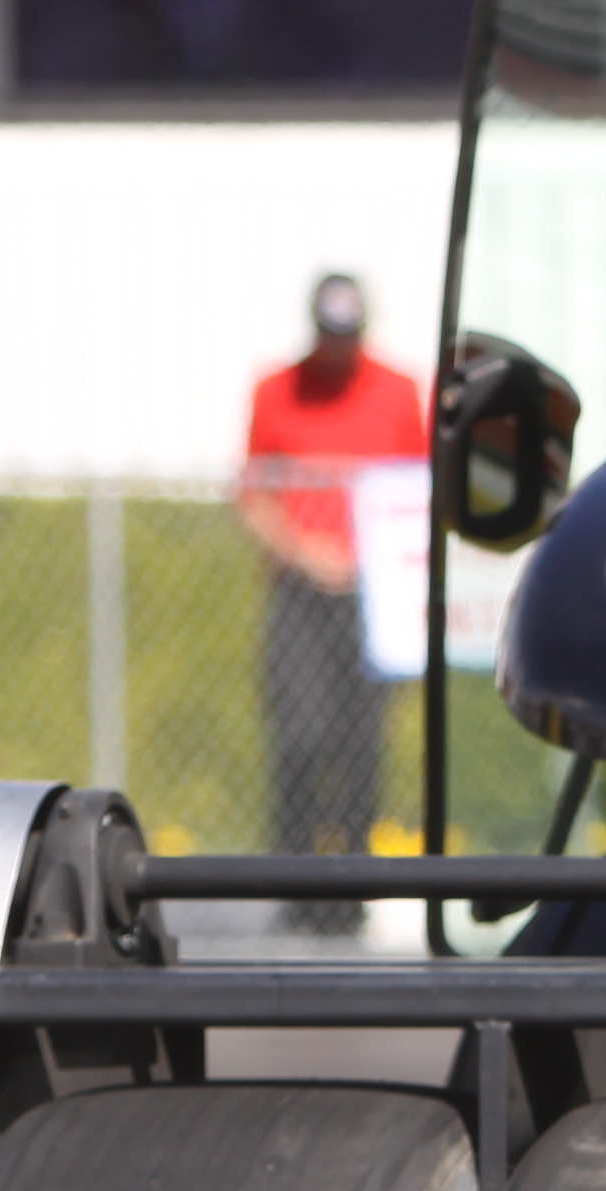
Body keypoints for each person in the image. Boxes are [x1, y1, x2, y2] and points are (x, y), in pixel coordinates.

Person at [237, 270, 426, 912]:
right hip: (300, 591)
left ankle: (353, 892)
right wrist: (307, 552)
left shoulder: (398, 391)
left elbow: (415, 493)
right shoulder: (277, 390)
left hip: (372, 600)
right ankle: (293, 887)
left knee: (361, 740)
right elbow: (254, 494)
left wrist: (372, 561)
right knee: (301, 735)